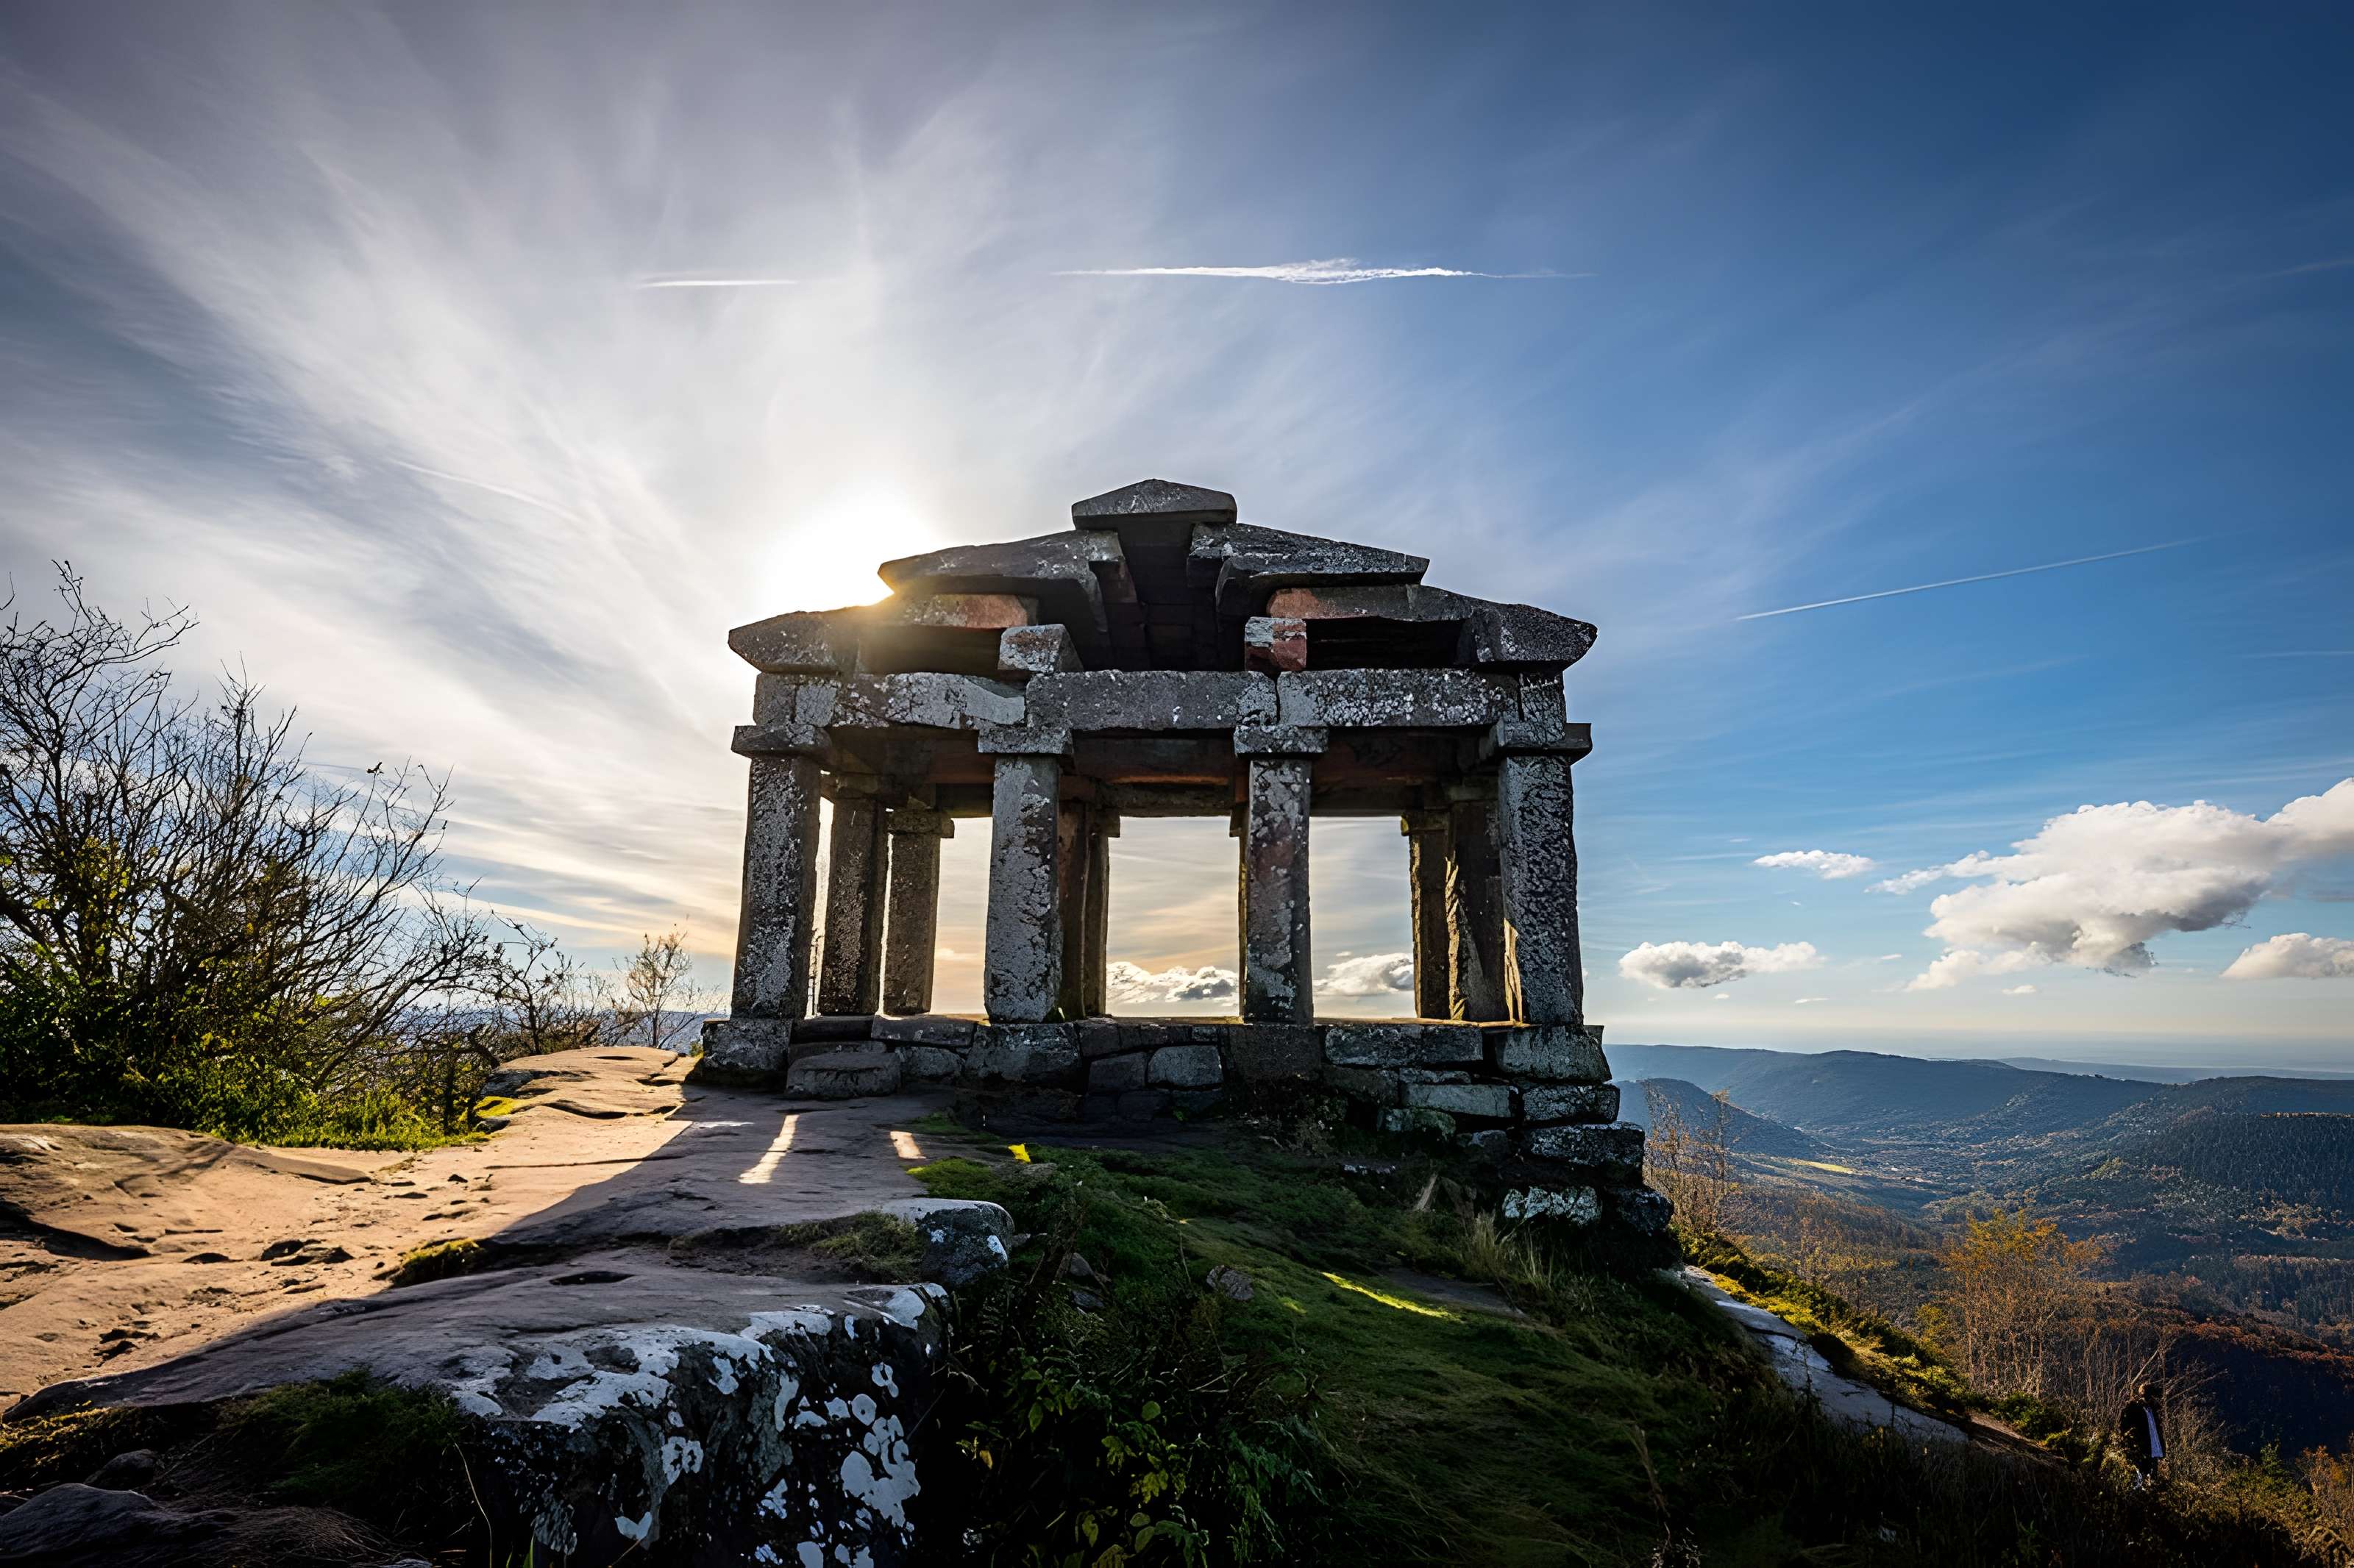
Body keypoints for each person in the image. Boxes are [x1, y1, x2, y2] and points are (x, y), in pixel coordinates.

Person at [2117, 1381, 2164, 1489]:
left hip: (2154, 1450)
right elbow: (2124, 1428)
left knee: (2153, 1481)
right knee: (2139, 1480)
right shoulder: (2134, 1409)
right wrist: (2131, 1445)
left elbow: (2157, 1430)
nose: (2152, 1398)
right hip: (2142, 1449)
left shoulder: (2153, 1410)